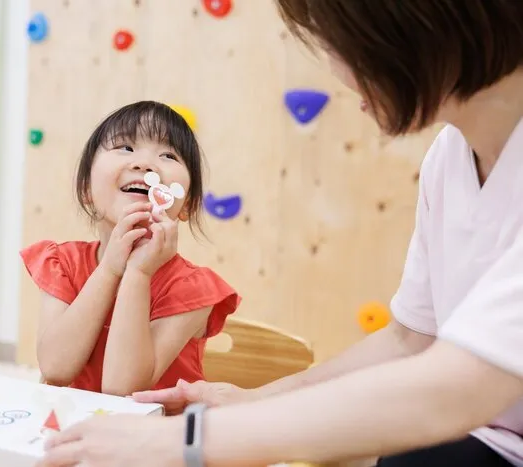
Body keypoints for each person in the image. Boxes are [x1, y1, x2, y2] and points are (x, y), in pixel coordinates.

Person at [37, 1, 523, 466]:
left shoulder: (189, 288)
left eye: (337, 44)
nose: (334, 67)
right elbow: (409, 340)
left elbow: (456, 389)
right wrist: (254, 400)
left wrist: (182, 442)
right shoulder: (448, 158)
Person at [20, 101, 240, 396]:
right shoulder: (62, 263)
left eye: (167, 154)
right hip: (78, 430)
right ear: (87, 189)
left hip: (155, 433)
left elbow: (123, 390)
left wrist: (137, 272)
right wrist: (110, 268)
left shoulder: (193, 289)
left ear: (186, 203)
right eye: (125, 147)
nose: (145, 164)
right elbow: (56, 369)